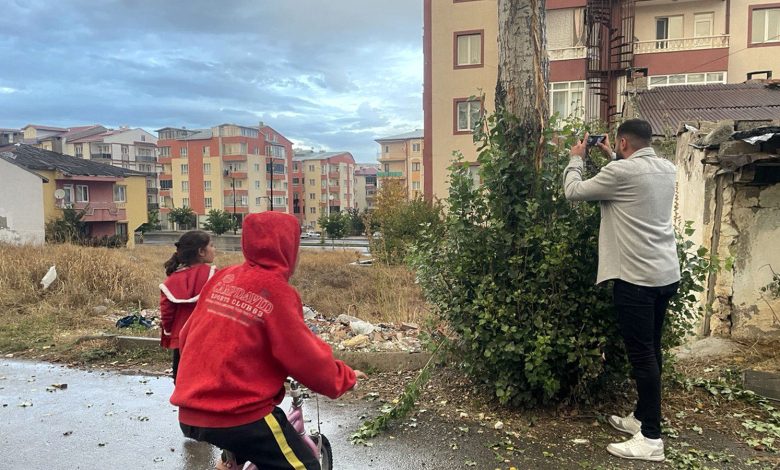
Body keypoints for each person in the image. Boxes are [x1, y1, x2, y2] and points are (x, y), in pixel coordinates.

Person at [170, 212, 366, 470]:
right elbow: (306, 357)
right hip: (238, 415)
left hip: (191, 410)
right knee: (305, 466)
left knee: (235, 461)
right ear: (289, 247)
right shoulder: (277, 291)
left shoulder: (224, 277)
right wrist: (345, 378)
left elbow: (188, 336)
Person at [563, 119, 680, 462]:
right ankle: (643, 418)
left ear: (624, 142)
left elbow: (574, 191)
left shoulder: (622, 174)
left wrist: (576, 159)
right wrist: (614, 156)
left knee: (642, 356)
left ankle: (651, 439)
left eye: (618, 144)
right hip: (664, 275)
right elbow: (633, 184)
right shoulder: (667, 168)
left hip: (636, 279)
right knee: (652, 350)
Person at [160, 230, 217, 384]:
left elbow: (166, 313)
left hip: (181, 341)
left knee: (182, 381)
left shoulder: (172, 279)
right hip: (208, 339)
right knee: (208, 381)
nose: (214, 249)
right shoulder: (216, 276)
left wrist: (169, 332)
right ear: (201, 252)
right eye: (211, 245)